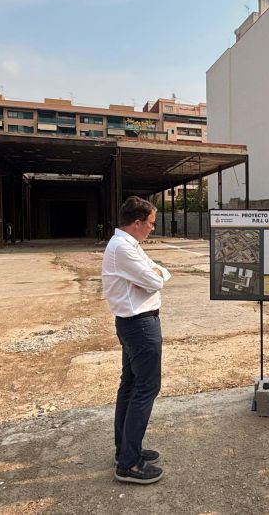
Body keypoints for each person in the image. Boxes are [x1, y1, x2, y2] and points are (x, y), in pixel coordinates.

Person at [103, 196, 170, 485]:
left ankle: (126, 450)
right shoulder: (123, 248)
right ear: (137, 222)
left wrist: (155, 273)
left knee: (130, 387)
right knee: (145, 389)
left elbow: (161, 270)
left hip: (135, 323)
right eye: (151, 223)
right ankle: (129, 464)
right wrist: (155, 274)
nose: (153, 229)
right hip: (139, 325)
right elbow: (156, 280)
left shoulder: (130, 245)